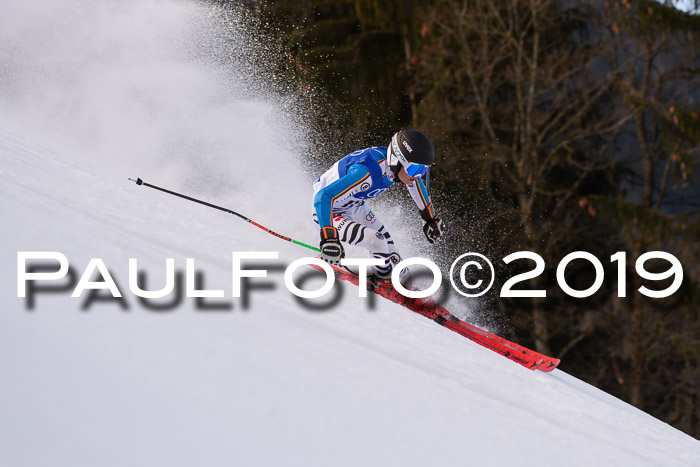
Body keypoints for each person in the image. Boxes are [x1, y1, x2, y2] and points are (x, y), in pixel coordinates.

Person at [312, 129, 446, 288]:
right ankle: (384, 283)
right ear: (397, 161)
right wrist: (329, 238)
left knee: (395, 258)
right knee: (378, 242)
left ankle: (401, 283)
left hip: (354, 206)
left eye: (423, 170)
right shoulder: (366, 172)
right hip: (330, 211)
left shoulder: (396, 169)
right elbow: (322, 197)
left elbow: (415, 185)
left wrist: (430, 218)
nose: (418, 175)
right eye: (415, 170)